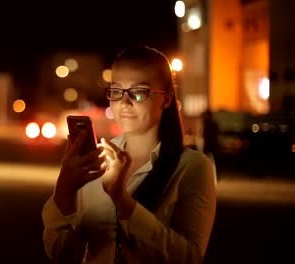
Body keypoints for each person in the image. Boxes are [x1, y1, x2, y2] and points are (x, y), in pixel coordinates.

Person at [41, 45, 216, 263]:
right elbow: (60, 253)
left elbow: (190, 258)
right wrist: (64, 190)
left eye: (139, 92)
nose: (124, 102)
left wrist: (123, 201)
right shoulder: (97, 160)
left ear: (167, 99)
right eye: (116, 91)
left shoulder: (192, 167)